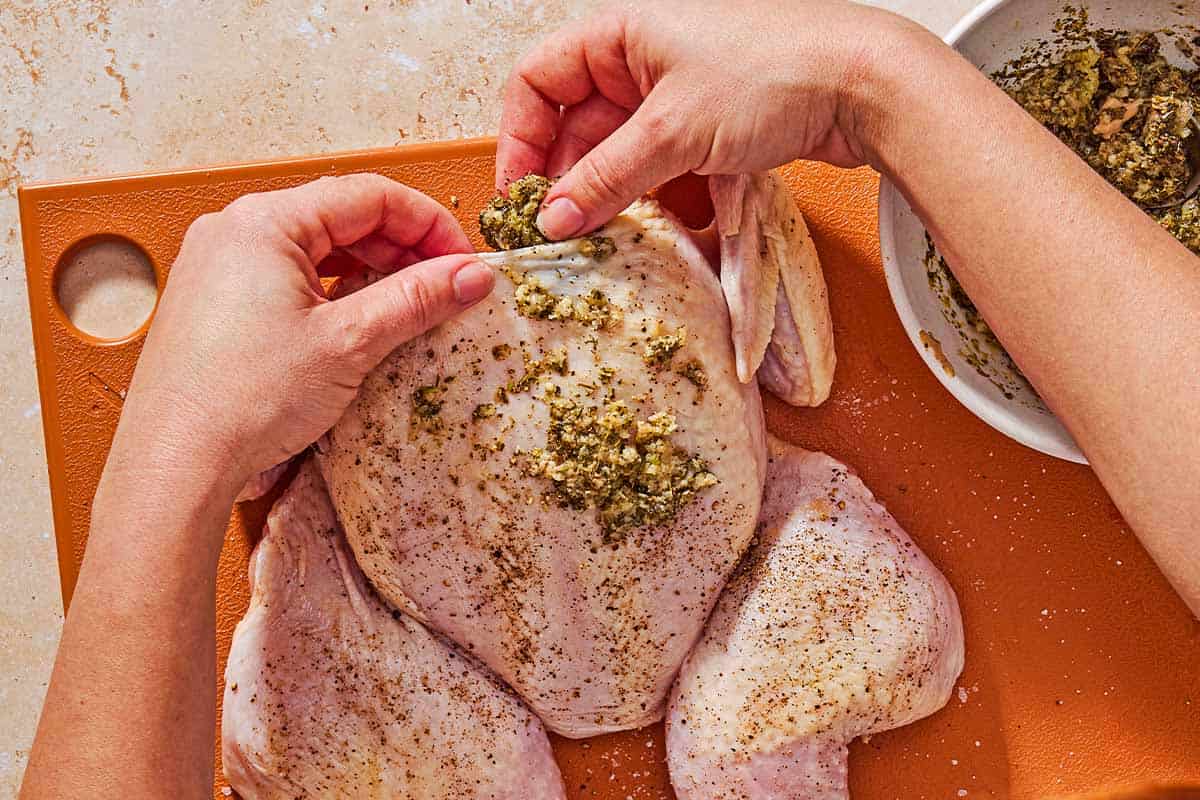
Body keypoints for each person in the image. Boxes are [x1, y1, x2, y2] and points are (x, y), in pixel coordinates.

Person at [19, 1, 1200, 797]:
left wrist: (176, 454)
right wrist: (862, 79)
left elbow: (273, 482)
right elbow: (793, 368)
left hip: (645, 586)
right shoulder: (645, 242)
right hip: (614, 598)